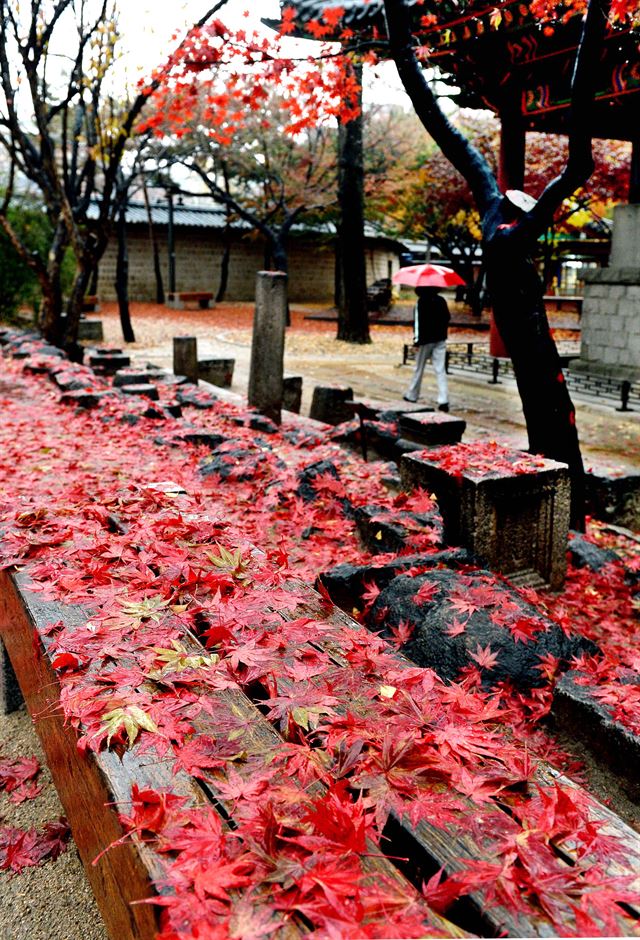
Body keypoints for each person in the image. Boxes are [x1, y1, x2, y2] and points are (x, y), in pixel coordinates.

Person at [403, 286, 451, 410]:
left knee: (418, 368)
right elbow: (447, 318)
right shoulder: (441, 300)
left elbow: (418, 324)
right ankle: (443, 400)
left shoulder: (421, 302)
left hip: (425, 341)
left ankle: (412, 395)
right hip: (440, 339)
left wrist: (416, 341)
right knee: (440, 370)